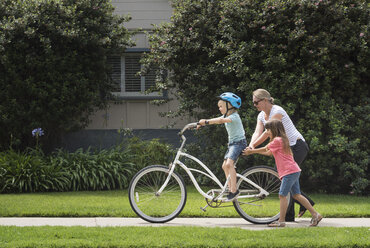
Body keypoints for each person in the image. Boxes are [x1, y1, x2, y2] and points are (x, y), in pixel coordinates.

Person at [243, 89, 314, 220]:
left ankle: (295, 210)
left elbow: (267, 133)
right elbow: (257, 132)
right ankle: (294, 211)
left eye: (256, 102)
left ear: (265, 100)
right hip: (284, 147)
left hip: (297, 146)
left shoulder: (277, 111)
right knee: (285, 178)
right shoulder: (261, 116)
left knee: (285, 177)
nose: (254, 105)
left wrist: (252, 150)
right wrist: (251, 145)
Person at [244, 119, 322, 227]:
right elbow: (269, 153)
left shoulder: (277, 140)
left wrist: (251, 151)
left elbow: (265, 148)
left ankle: (281, 221)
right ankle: (315, 214)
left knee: (282, 195)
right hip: (294, 170)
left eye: (268, 129)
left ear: (274, 129)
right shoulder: (282, 139)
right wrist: (253, 152)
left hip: (289, 172)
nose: (267, 132)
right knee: (296, 195)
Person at [197, 92, 247, 201]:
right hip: (232, 144)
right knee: (224, 166)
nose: (219, 109)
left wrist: (205, 121)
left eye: (221, 106)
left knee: (229, 164)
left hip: (239, 143)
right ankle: (229, 189)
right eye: (218, 107)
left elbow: (219, 121)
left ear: (230, 105)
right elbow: (217, 120)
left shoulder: (234, 116)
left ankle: (234, 190)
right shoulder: (226, 116)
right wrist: (201, 124)